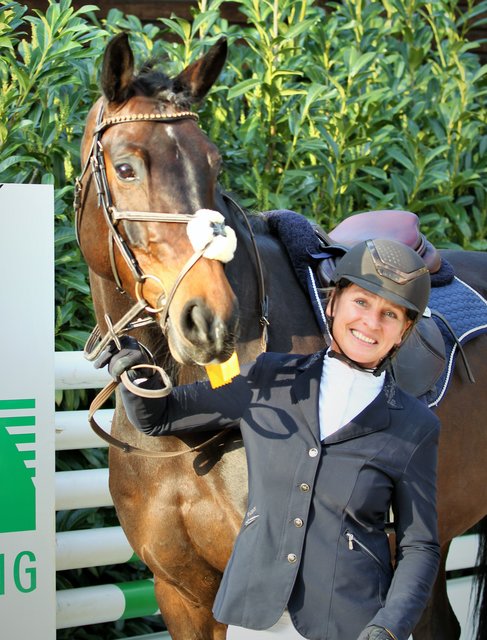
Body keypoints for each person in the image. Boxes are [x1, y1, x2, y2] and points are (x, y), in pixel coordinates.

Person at [96, 238, 440, 640]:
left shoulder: (415, 426)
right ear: (333, 303)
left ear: (403, 331)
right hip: (254, 618)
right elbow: (161, 416)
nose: (370, 323)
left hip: (352, 624)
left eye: (390, 314)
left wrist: (390, 627)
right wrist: (135, 374)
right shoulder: (269, 378)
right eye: (360, 302)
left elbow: (421, 546)